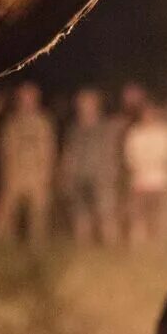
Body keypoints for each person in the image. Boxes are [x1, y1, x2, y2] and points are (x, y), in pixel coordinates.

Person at [0, 82, 57, 244]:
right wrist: (6, 174)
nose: (27, 101)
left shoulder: (44, 122)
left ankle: (37, 245)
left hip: (36, 175)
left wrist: (47, 174)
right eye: (23, 97)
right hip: (15, 174)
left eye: (30, 97)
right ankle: (5, 246)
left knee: (38, 213)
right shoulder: (11, 123)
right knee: (8, 214)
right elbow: (5, 150)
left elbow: (49, 150)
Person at [58, 88, 120, 245]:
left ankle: (110, 247)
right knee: (81, 214)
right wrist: (66, 173)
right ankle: (83, 247)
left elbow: (112, 151)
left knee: (106, 213)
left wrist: (112, 172)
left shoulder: (106, 127)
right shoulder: (74, 128)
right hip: (79, 176)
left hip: (101, 176)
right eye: (82, 103)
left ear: (96, 104)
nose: (85, 106)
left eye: (88, 102)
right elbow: (69, 152)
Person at [122, 104, 167, 245]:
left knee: (160, 214)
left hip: (161, 181)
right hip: (140, 180)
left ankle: (159, 242)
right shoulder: (135, 133)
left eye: (151, 114)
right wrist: (139, 167)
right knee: (139, 214)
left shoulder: (164, 133)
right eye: (146, 115)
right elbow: (130, 156)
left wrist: (156, 162)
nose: (149, 118)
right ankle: (139, 242)